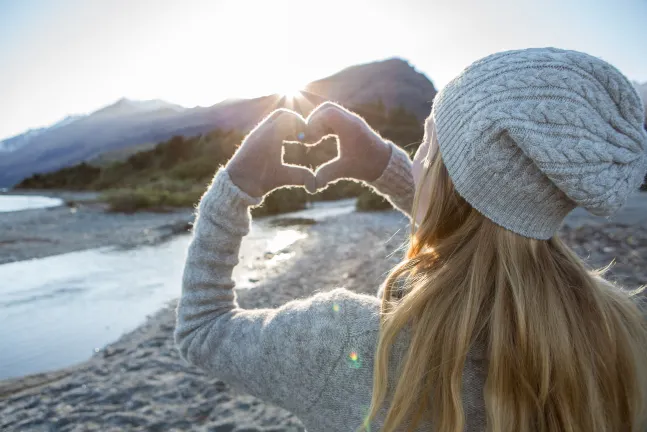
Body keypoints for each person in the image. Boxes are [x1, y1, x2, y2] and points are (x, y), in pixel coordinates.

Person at [175, 47, 647, 432]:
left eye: (425, 145)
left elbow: (201, 328)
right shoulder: (615, 329)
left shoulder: (343, 340)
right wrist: (386, 166)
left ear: (442, 176)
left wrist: (231, 191)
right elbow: (487, 219)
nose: (415, 159)